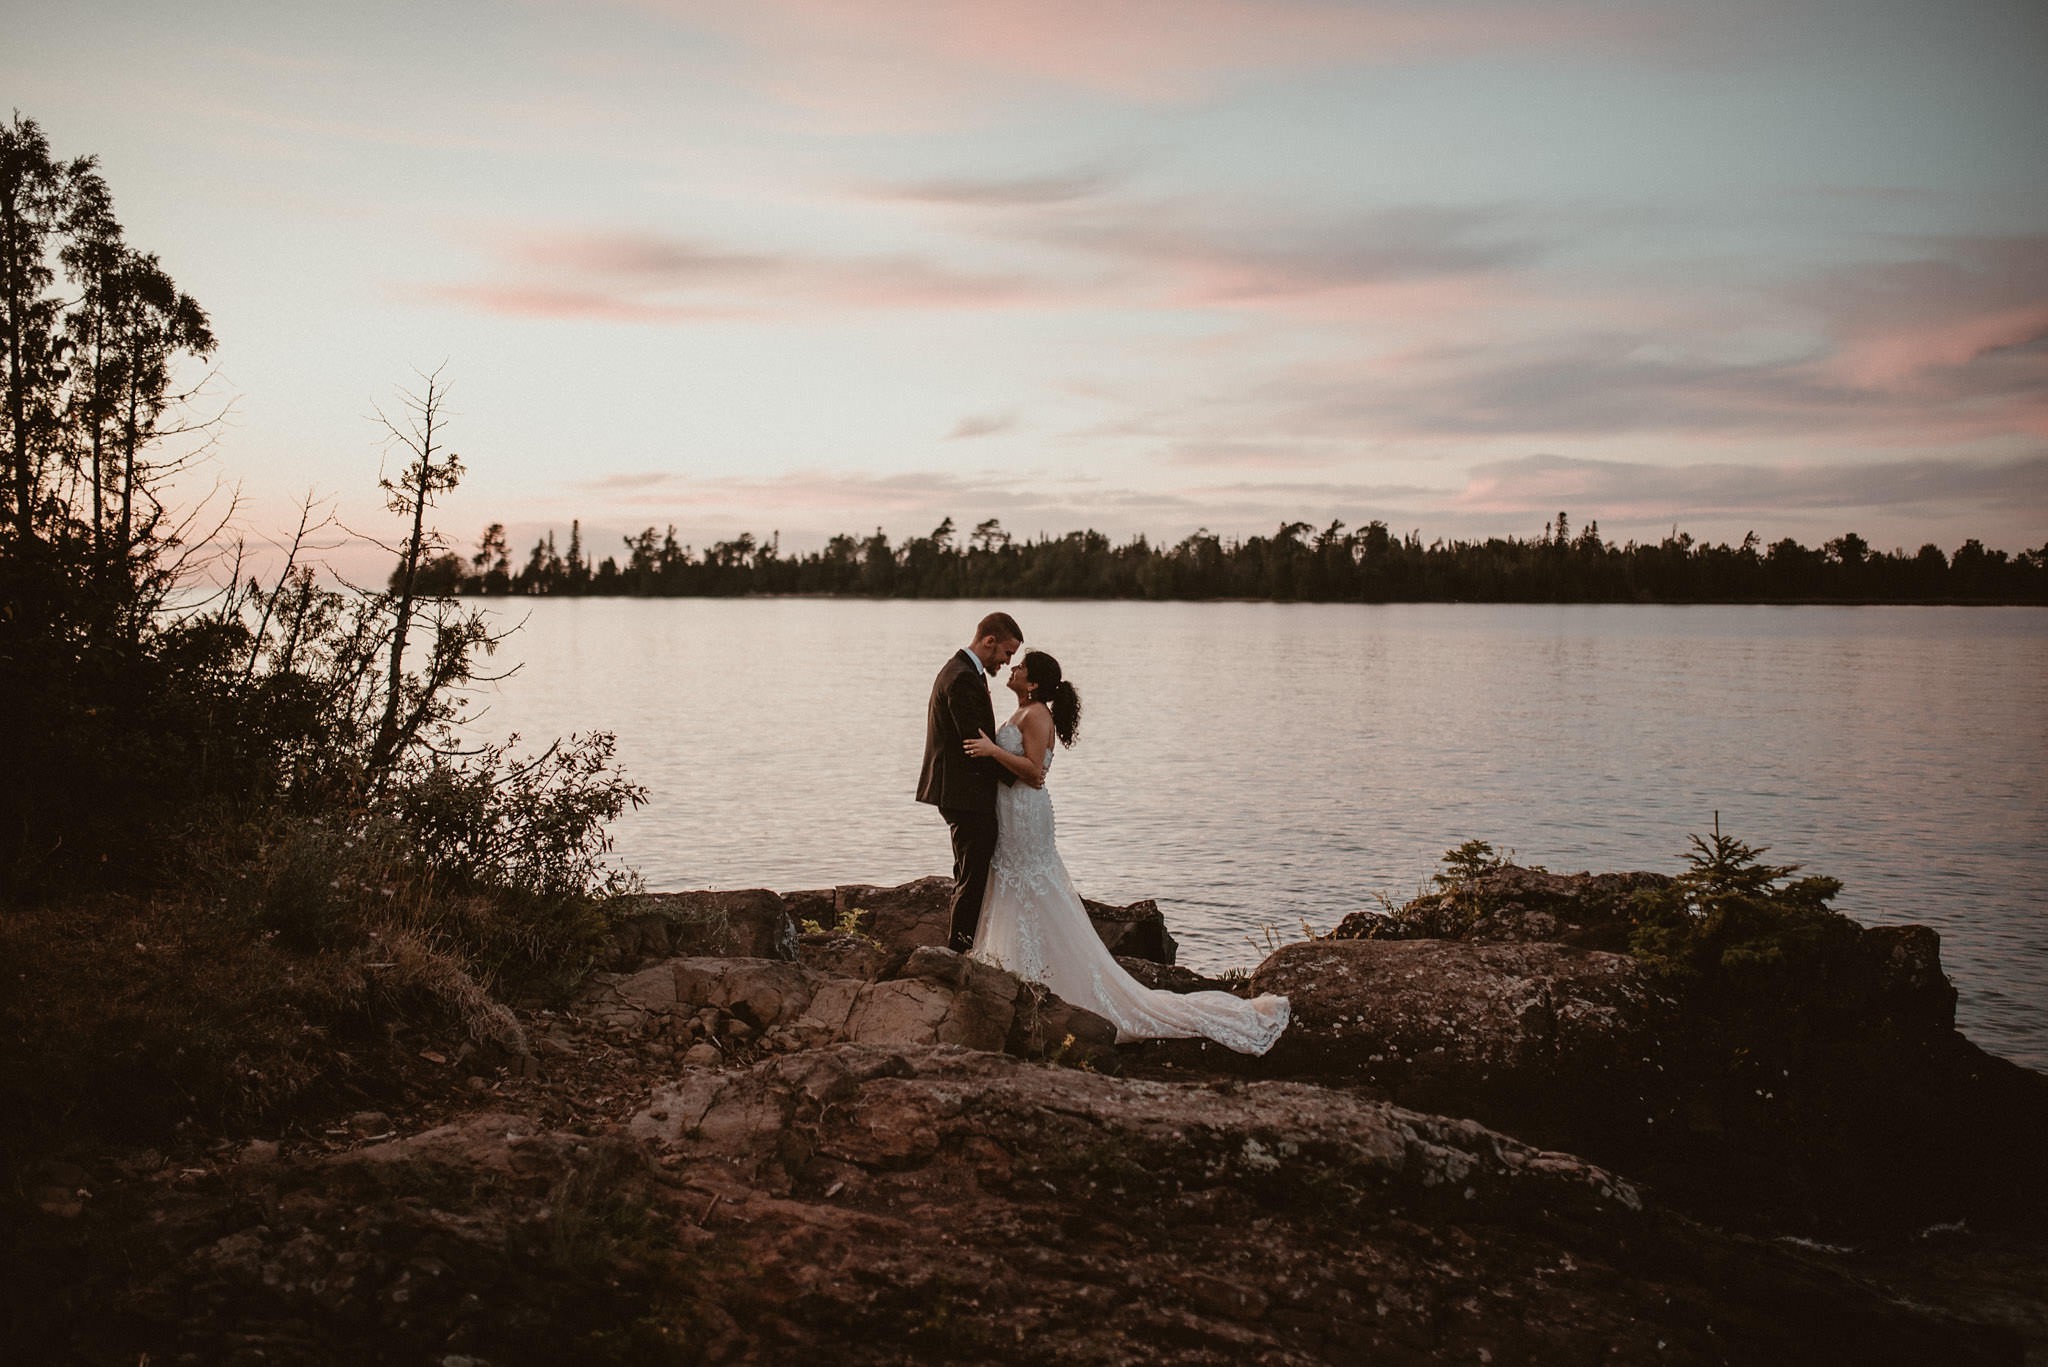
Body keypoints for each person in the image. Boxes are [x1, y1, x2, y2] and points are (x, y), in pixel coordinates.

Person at [963, 649, 1291, 1056]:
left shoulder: (1037, 716)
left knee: (1032, 887)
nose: (1013, 669)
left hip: (1026, 814)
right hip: (1011, 814)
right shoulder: (1023, 712)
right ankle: (1022, 971)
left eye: (1021, 667)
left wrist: (993, 751)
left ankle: (1046, 982)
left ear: (1032, 684)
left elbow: (1034, 774)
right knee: (1018, 886)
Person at [917, 611, 1030, 952]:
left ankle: (960, 947)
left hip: (958, 790)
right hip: (963, 792)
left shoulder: (963, 671)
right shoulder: (963, 677)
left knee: (967, 871)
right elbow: (974, 744)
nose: (1008, 662)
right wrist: (1023, 774)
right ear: (989, 641)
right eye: (1007, 653)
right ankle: (959, 951)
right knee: (973, 876)